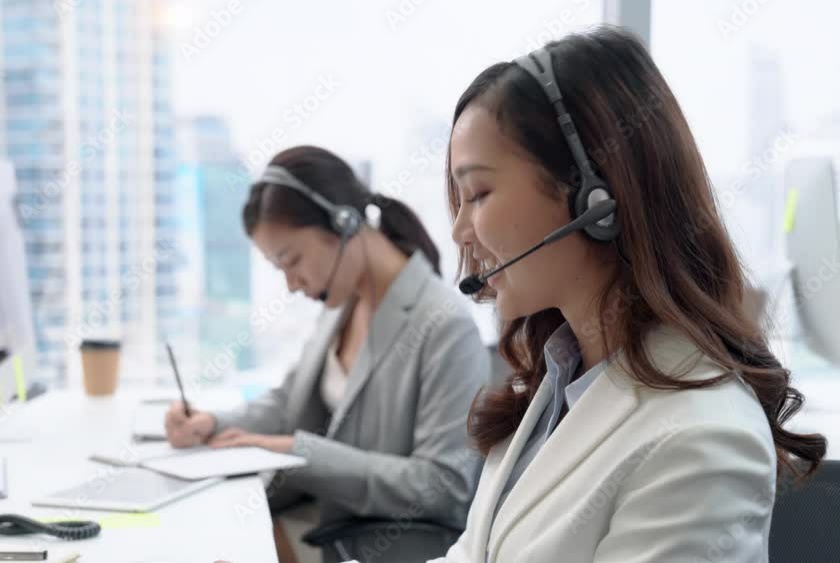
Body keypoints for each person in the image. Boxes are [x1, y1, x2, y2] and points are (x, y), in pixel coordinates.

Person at [432, 26, 827, 562]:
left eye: (477, 193)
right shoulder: (556, 383)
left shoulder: (700, 440)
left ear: (595, 200)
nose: (460, 231)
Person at [166, 145, 488, 562]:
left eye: (292, 260)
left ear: (345, 224)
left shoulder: (444, 326)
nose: (291, 284)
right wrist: (211, 423)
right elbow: (289, 404)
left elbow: (444, 486)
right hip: (319, 520)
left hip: (371, 541)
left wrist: (301, 453)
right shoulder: (343, 302)